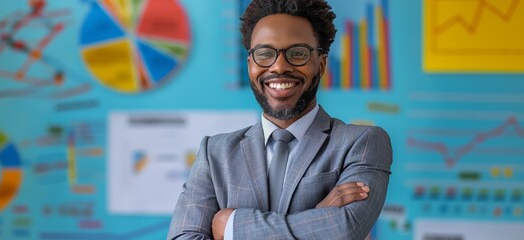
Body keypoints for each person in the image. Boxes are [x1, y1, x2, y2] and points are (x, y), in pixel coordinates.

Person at [168, 0, 393, 239]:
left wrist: (231, 226)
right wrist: (318, 215)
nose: (279, 67)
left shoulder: (362, 143)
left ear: (322, 64)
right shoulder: (214, 154)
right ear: (250, 65)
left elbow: (345, 228)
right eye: (264, 54)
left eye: (297, 53)